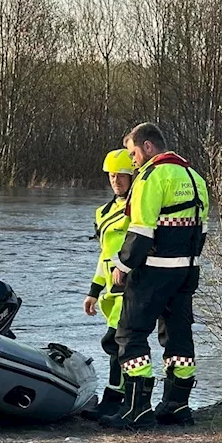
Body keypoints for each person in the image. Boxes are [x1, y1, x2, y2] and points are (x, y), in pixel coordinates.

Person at [101, 122, 209, 430]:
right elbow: (202, 230)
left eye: (133, 152)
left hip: (154, 271)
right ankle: (176, 406)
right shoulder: (194, 177)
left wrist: (122, 268)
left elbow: (141, 231)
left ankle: (137, 409)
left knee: (130, 334)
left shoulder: (151, 176)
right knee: (178, 336)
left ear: (148, 147)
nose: (132, 160)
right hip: (187, 270)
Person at [81, 148, 136, 421]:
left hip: (130, 286)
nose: (116, 180)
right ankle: (117, 397)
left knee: (116, 343)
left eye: (122, 176)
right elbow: (104, 255)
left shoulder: (136, 208)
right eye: (112, 176)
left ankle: (116, 399)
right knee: (116, 343)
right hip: (111, 290)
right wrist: (93, 290)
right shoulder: (103, 212)